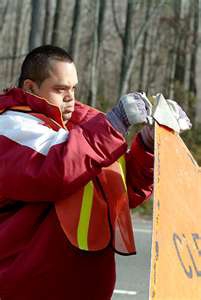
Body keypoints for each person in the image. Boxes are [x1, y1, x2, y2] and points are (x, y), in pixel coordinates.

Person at [0, 45, 190, 300]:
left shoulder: (81, 128)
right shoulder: (9, 126)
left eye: (73, 89)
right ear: (30, 88)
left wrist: (147, 143)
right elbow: (57, 171)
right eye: (60, 89)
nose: (70, 98)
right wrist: (113, 125)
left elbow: (124, 191)